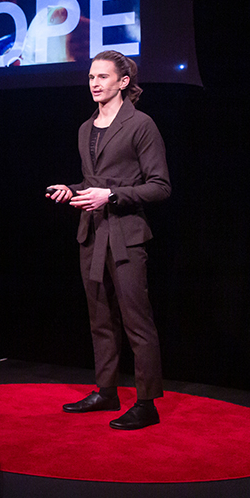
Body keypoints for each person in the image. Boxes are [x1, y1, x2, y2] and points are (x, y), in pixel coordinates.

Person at [46, 50, 170, 430]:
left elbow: (160, 187)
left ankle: (147, 402)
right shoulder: (86, 128)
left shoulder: (141, 125)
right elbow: (93, 183)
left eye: (102, 77)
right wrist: (73, 189)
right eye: (90, 77)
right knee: (100, 319)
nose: (95, 83)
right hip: (92, 233)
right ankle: (106, 390)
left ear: (123, 82)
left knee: (137, 321)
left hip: (126, 236)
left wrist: (112, 196)